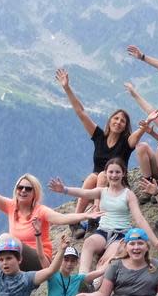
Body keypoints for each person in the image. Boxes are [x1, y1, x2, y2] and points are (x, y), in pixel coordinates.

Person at [0, 157, 99, 296]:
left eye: (28, 188)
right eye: (20, 187)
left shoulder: (41, 211)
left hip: (39, 261)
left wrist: (85, 215)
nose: (23, 191)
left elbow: (61, 218)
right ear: (16, 190)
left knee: (5, 238)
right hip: (15, 258)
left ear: (35, 193)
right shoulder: (11, 206)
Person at [55, 68, 147, 224]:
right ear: (110, 121)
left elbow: (139, 133)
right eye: (116, 118)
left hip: (117, 185)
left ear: (125, 126)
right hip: (96, 186)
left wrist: (147, 123)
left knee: (102, 175)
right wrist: (67, 88)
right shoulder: (99, 136)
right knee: (93, 176)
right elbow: (81, 113)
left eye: (122, 121)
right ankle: (75, 221)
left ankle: (95, 216)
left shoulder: (126, 142)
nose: (118, 122)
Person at [49, 158, 158, 275]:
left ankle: (94, 282)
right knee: (88, 243)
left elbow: (140, 219)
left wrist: (155, 241)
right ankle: (82, 277)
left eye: (117, 172)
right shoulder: (102, 191)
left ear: (123, 174)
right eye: (111, 172)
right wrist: (64, 189)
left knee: (106, 261)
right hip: (102, 232)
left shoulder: (128, 194)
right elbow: (83, 193)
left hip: (120, 234)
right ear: (106, 173)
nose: (114, 175)